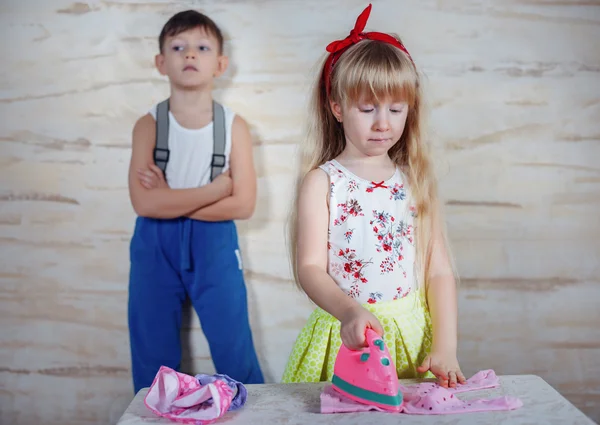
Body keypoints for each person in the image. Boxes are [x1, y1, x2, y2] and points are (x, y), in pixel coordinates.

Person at [282, 4, 465, 389]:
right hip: (345, 336)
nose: (383, 123)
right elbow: (311, 268)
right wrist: (350, 312)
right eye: (367, 108)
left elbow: (438, 270)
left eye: (396, 109)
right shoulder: (323, 182)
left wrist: (445, 345)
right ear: (337, 107)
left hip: (409, 338)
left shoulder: (415, 182)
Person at [127, 9, 264, 393]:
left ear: (220, 64)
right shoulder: (148, 125)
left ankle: (255, 414)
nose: (190, 55)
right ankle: (153, 414)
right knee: (151, 349)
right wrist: (216, 190)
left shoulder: (234, 127)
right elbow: (144, 205)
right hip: (155, 244)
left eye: (201, 47)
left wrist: (168, 198)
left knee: (233, 346)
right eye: (178, 47)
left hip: (215, 244)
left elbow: (244, 206)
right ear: (160, 62)